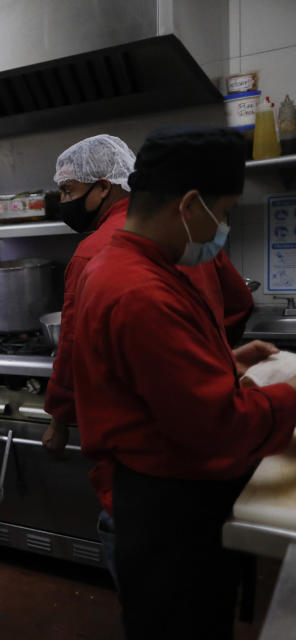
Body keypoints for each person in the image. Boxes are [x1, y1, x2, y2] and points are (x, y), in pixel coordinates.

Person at [71, 125, 296, 638]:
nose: (224, 225)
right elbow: (217, 427)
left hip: (168, 498)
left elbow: (156, 378)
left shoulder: (137, 265)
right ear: (191, 205)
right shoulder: (139, 290)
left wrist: (224, 362)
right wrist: (291, 394)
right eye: (226, 210)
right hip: (170, 510)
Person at [40, 134, 255, 582]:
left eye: (68, 191)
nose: (62, 202)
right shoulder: (187, 230)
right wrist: (214, 358)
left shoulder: (95, 252)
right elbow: (237, 304)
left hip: (145, 471)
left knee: (157, 590)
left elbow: (74, 350)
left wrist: (59, 420)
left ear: (103, 187)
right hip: (210, 461)